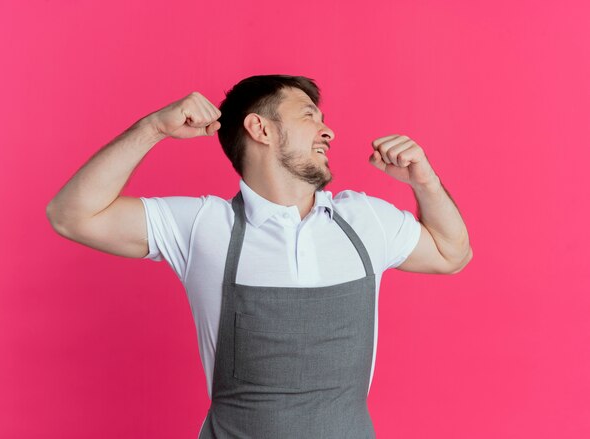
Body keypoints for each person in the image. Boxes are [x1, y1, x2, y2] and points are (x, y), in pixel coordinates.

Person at [46, 74, 472, 438]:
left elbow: (452, 254)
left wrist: (425, 182)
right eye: (309, 116)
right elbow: (71, 215)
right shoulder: (202, 226)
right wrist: (153, 128)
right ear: (260, 129)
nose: (328, 131)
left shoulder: (365, 219)